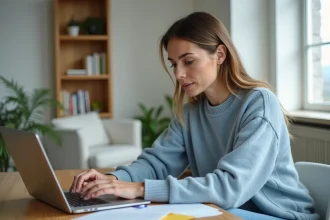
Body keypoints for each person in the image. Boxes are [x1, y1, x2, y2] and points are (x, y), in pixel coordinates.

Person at [70, 12, 319, 220]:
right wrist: (112, 179)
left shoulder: (259, 104)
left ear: (219, 55)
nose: (178, 74)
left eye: (188, 61)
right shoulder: (191, 113)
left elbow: (230, 188)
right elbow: (157, 163)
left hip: (279, 215)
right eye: (174, 64)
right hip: (225, 211)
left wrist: (139, 189)